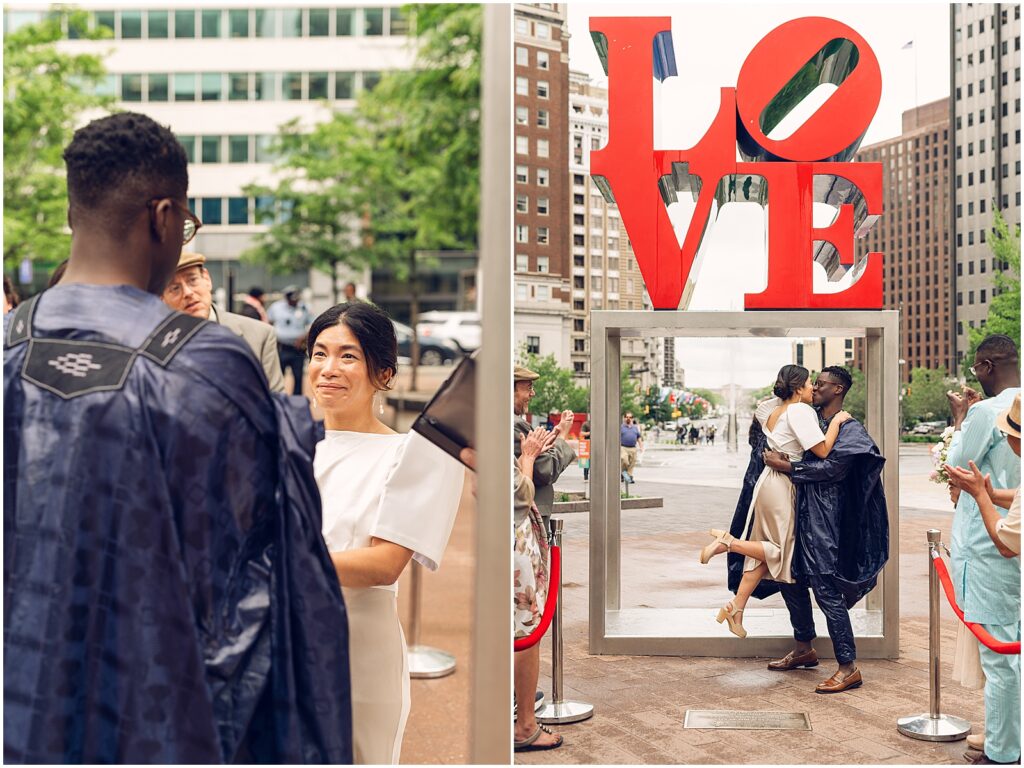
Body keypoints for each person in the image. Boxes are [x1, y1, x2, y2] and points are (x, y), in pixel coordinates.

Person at [3, 112, 352, 763]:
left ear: (75, 212)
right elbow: (263, 582)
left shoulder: (7, 348)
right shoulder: (207, 366)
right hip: (155, 714)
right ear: (164, 217)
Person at [309, 301, 464, 765]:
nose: (328, 369)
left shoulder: (410, 454)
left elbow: (383, 564)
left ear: (384, 373)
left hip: (357, 649)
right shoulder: (290, 447)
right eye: (319, 353)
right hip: (275, 638)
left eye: (348, 356)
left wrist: (279, 559)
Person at [759, 366, 889, 694]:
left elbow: (832, 468)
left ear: (839, 390)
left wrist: (789, 466)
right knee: (790, 579)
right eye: (813, 383)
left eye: (822, 384)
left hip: (824, 520)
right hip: (797, 513)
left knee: (826, 588)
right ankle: (804, 648)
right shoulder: (809, 418)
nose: (815, 388)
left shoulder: (850, 428)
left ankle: (848, 667)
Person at [701, 365, 850, 639]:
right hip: (783, 485)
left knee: (762, 551)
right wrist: (838, 422)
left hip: (766, 483)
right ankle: (728, 543)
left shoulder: (771, 411)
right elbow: (823, 449)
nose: (813, 389)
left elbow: (769, 402)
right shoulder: (799, 410)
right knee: (781, 552)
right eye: (808, 384)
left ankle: (737, 608)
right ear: (797, 388)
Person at [945, 335, 1020, 766]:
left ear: (986, 366)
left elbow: (958, 465)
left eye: (976, 367)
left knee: (999, 652)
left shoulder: (984, 412)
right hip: (1014, 534)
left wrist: (961, 419)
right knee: (1013, 644)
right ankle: (1005, 732)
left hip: (989, 544)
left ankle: (1004, 750)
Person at [162, 252, 285, 392]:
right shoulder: (156, 346)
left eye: (192, 280)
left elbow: (276, 402)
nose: (188, 293)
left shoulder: (259, 335)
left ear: (207, 279)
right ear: (161, 297)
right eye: (174, 288)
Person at [513, 426, 563, 753]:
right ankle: (525, 725)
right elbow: (519, 494)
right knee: (524, 633)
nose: (530, 394)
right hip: (514, 548)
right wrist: (528, 457)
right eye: (525, 387)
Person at [513, 365, 575, 526]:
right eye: (528, 388)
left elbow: (533, 456)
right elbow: (546, 469)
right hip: (528, 515)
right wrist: (562, 436)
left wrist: (553, 437)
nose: (532, 393)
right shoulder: (516, 425)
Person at [268, 285, 314, 395]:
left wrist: (304, 338)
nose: (294, 302)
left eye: (296, 299)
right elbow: (269, 323)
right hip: (281, 347)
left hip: (297, 349)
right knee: (278, 377)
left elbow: (313, 324)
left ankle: (296, 402)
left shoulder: (304, 308)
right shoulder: (276, 307)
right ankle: (278, 400)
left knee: (298, 377)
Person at [620, 412, 643, 483]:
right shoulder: (621, 427)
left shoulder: (635, 428)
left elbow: (638, 438)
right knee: (624, 460)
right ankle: (624, 473)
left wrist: (641, 446)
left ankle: (629, 476)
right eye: (627, 417)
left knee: (632, 463)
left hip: (633, 448)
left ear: (632, 419)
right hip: (623, 447)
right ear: (624, 418)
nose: (628, 419)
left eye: (630, 417)